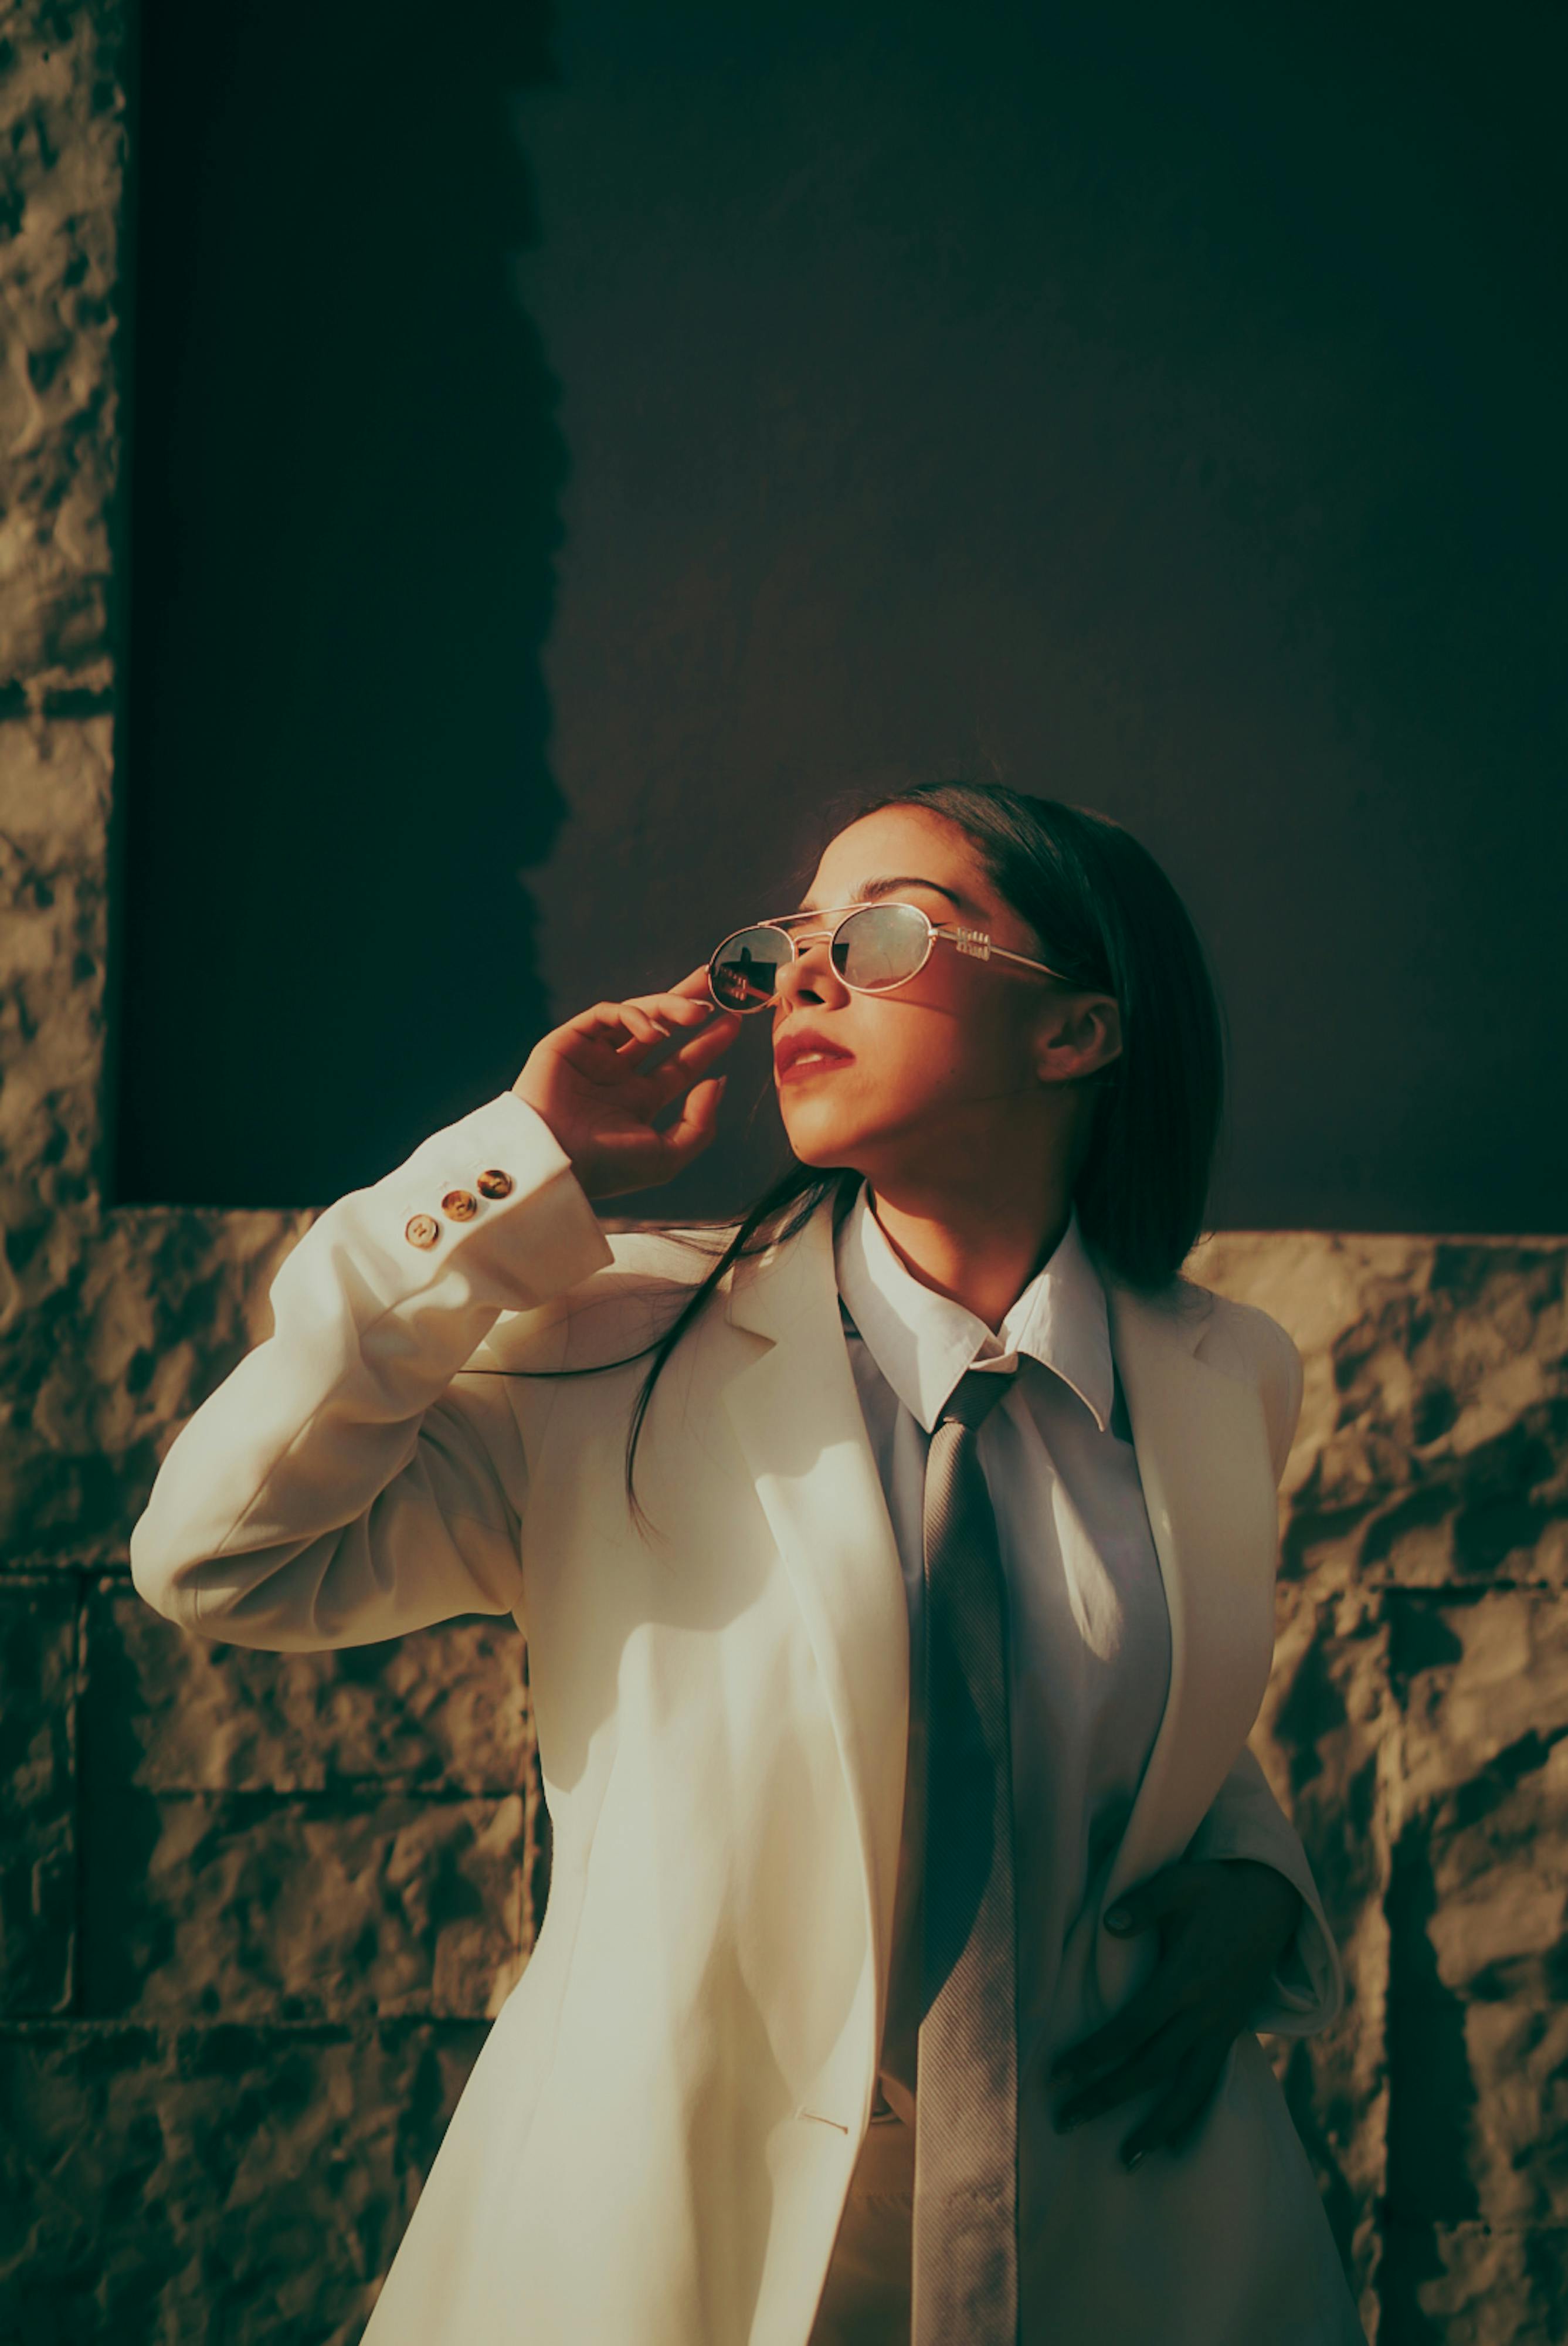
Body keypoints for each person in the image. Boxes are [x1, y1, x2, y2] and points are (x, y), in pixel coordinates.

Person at [130, 781, 1366, 2345]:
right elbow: (223, 1560)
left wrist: (1251, 1876)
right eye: (791, 941)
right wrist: (517, 1168)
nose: (805, 974)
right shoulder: (611, 1343)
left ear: (1078, 1035)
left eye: (881, 930)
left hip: (1114, 2241)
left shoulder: (1220, 1373)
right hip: (659, 2252)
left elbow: (1108, 1684)